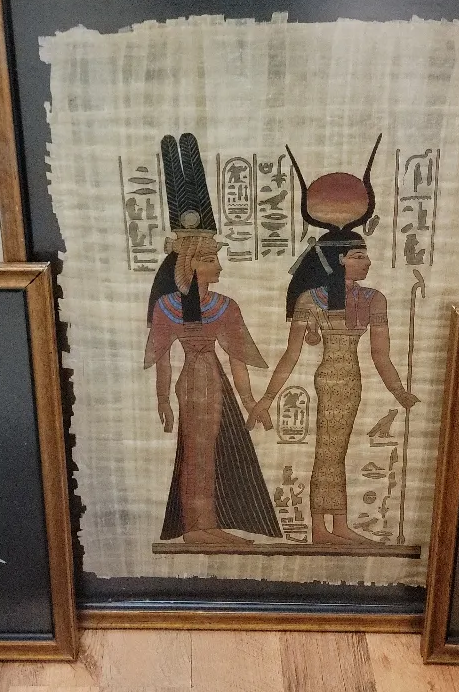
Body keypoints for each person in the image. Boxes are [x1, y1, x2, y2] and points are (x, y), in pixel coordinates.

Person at [249, 135, 418, 546]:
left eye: (366, 255)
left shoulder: (374, 299)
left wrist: (400, 392)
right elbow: (291, 355)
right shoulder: (312, 300)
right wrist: (267, 399)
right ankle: (321, 529)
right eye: (359, 256)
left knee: (335, 451)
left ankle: (336, 526)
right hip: (329, 379)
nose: (367, 262)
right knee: (328, 450)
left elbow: (381, 355)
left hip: (352, 380)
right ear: (339, 260)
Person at [146, 133, 282, 546]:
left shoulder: (225, 305)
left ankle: (207, 524)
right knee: (197, 451)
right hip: (194, 382)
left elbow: (237, 358)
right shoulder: (169, 306)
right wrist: (162, 400)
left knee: (212, 451)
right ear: (190, 264)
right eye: (210, 259)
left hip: (214, 382)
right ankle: (197, 528)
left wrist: (250, 401)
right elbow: (163, 357)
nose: (218, 265)